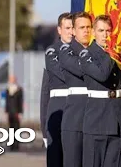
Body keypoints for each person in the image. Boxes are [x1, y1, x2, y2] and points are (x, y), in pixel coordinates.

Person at [79, 15, 121, 167]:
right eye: (101, 30)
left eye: (108, 31)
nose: (105, 35)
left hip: (117, 120)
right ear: (93, 32)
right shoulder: (87, 54)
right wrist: (111, 52)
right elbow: (102, 74)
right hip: (96, 121)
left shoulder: (119, 56)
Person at [58, 11, 92, 167]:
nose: (86, 30)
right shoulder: (66, 51)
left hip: (94, 120)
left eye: (89, 27)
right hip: (74, 120)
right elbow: (82, 70)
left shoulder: (96, 51)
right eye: (82, 27)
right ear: (73, 30)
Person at [43, 12, 73, 167]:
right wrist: (43, 127)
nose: (70, 31)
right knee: (55, 159)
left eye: (72, 27)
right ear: (59, 30)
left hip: (74, 109)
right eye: (66, 28)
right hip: (57, 108)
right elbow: (45, 93)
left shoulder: (79, 51)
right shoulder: (52, 51)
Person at [5, 75, 23, 151]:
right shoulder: (8, 90)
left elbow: (20, 101)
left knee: (17, 128)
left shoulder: (19, 90)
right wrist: (6, 111)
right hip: (10, 112)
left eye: (12, 79)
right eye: (10, 79)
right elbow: (7, 102)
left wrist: (20, 112)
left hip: (16, 112)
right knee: (11, 128)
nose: (11, 80)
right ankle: (12, 145)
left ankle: (16, 145)